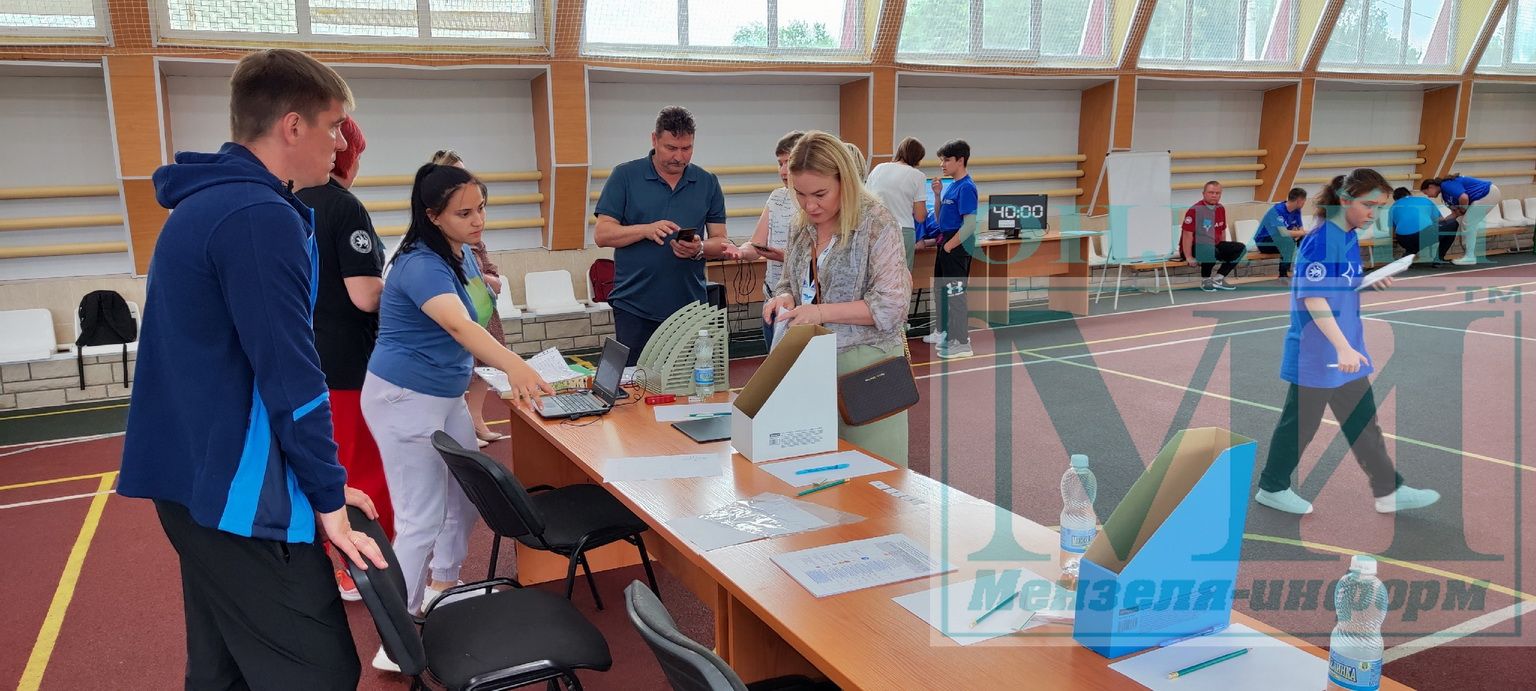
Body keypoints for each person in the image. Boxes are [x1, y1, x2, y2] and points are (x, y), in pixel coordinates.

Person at [118, 48, 386, 690]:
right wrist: (327, 497)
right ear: (293, 127)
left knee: (224, 668)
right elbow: (293, 378)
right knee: (319, 671)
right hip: (237, 492)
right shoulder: (258, 218)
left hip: (190, 478)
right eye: (334, 126)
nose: (342, 141)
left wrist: (326, 485)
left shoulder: (207, 207)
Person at [362, 162, 554, 670]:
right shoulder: (419, 264)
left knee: (468, 497)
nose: (478, 220)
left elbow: (474, 312)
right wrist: (515, 366)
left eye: (481, 208)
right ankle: (395, 640)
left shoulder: (461, 252)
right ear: (433, 216)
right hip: (403, 398)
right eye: (464, 213)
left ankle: (442, 587)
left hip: (442, 394)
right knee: (419, 518)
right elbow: (458, 325)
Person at [1254, 169, 1440, 516]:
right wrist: (1341, 348)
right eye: (1369, 205)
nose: (1374, 213)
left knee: (1363, 421)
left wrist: (1367, 281)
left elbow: (1337, 286)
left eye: (1379, 207)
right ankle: (1272, 486)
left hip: (1344, 348)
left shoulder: (1347, 234)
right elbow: (1314, 298)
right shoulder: (1325, 238)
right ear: (1344, 200)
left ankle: (1389, 490)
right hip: (1321, 350)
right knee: (1300, 424)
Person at [763, 131, 911, 466]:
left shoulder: (876, 221)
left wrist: (818, 312)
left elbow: (891, 306)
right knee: (817, 476)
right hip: (810, 366)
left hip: (867, 371)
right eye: (799, 194)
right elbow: (788, 279)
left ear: (844, 180)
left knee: (876, 479)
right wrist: (784, 298)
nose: (809, 205)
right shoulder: (802, 224)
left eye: (820, 194)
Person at [295, 115, 393, 603]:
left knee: (324, 460)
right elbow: (365, 295)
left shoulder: (286, 201)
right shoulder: (343, 207)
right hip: (348, 360)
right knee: (363, 469)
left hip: (305, 357)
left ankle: (337, 565)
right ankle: (363, 569)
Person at [594, 106, 734, 366]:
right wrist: (645, 229)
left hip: (689, 307)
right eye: (671, 148)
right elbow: (602, 234)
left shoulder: (707, 182)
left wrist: (700, 248)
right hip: (634, 305)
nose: (679, 157)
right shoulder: (625, 176)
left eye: (686, 149)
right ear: (654, 140)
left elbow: (722, 241)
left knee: (684, 386)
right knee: (637, 387)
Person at [430, 148, 509, 448]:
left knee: (484, 370)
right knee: (462, 369)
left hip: (483, 310)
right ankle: (459, 430)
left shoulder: (474, 237)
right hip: (459, 314)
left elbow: (488, 270)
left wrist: (486, 278)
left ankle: (477, 420)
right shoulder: (433, 246)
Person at [732, 131, 803, 351]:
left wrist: (784, 256)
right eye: (779, 163)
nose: (783, 171)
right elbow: (756, 245)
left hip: (800, 303)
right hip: (772, 299)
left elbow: (820, 257)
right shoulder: (776, 198)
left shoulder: (813, 202)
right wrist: (741, 251)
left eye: (788, 163)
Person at [921, 139, 978, 359]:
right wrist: (937, 195)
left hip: (955, 244)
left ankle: (962, 342)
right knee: (941, 290)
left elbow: (970, 224)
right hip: (945, 242)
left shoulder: (967, 187)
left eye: (946, 160)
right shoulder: (952, 185)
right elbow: (939, 218)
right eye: (941, 160)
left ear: (960, 161)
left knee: (955, 293)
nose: (942, 164)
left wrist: (950, 246)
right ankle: (947, 333)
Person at [866, 136, 929, 270]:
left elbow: (866, 201)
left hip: (875, 229)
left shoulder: (878, 169)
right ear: (918, 158)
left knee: (877, 276)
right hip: (903, 230)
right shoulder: (917, 176)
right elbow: (920, 216)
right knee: (901, 279)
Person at [1421, 174, 1501, 266]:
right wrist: (1436, 221)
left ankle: (1470, 256)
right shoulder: (1445, 196)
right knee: (1461, 222)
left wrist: (1463, 209)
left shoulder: (1446, 185)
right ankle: (1468, 255)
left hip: (1488, 193)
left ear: (1431, 187)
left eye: (1426, 192)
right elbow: (1455, 215)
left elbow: (1464, 197)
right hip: (1485, 195)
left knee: (1468, 223)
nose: (1428, 196)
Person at [1180, 181, 1246, 291]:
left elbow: (1222, 230)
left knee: (1241, 248)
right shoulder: (1194, 210)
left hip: (1213, 244)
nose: (1214, 195)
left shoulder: (1220, 208)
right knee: (1209, 250)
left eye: (1217, 193)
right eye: (1211, 192)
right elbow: (1187, 235)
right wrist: (1188, 257)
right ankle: (1205, 280)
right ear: (1204, 194)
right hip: (1196, 246)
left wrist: (1224, 249)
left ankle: (1218, 279)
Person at [1389, 187, 1457, 267]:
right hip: (1423, 236)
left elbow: (1393, 228)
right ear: (1410, 194)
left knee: (1415, 239)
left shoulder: (1393, 207)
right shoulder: (1424, 200)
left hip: (1403, 239)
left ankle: (1408, 256)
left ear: (1395, 199)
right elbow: (1437, 220)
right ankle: (1439, 259)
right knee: (1453, 224)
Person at [1254, 187, 1307, 279]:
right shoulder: (1277, 210)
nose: (1304, 203)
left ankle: (1303, 269)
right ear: (1299, 201)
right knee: (1288, 241)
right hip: (1264, 242)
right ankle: (1283, 275)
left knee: (1305, 239)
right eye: (1304, 200)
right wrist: (1300, 233)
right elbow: (1284, 233)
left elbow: (1301, 231)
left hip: (1281, 240)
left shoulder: (1297, 211)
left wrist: (1302, 233)